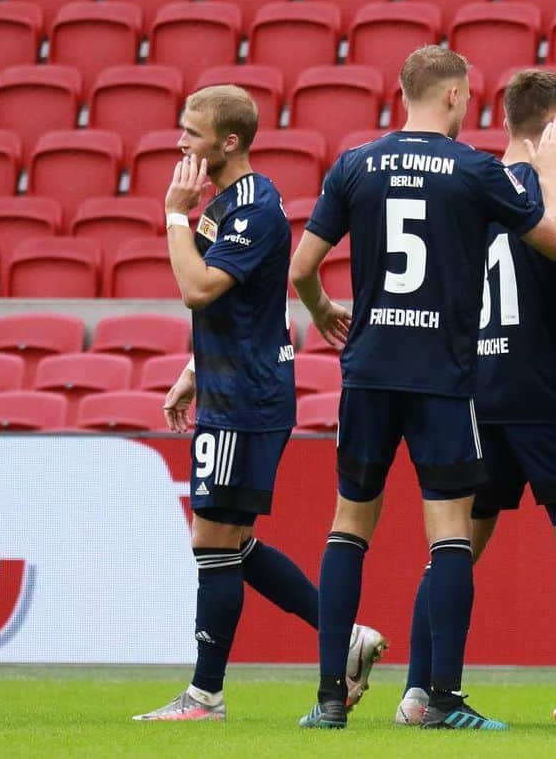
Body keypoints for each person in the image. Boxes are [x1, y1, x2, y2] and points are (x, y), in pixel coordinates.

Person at [289, 46, 556, 730]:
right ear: (452, 96)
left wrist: (324, 307)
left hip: (369, 371)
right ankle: (440, 697)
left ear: (401, 89)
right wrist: (543, 173)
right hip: (443, 378)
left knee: (348, 526)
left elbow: (302, 267)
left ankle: (330, 698)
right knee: (448, 534)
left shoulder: (355, 164)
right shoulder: (474, 170)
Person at [132, 85, 387, 721]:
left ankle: (205, 696)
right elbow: (245, 306)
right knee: (231, 541)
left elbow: (197, 289)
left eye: (192, 132)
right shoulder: (228, 205)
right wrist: (195, 369)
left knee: (212, 543)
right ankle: (345, 637)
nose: (181, 141)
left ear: (229, 142)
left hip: (246, 399)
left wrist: (172, 215)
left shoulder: (252, 208)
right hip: (230, 387)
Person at [394, 68, 556, 728]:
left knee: (455, 547)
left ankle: (417, 692)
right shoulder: (555, 192)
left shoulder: (469, 188)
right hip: (547, 391)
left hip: (475, 395)